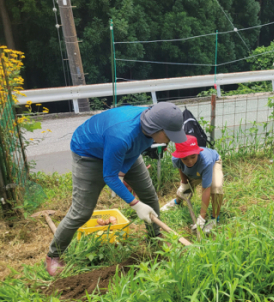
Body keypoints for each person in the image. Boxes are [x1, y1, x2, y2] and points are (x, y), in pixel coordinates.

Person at [45, 102, 188, 276]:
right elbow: (109, 176)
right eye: (169, 135)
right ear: (156, 129)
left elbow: (136, 149)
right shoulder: (122, 135)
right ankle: (54, 255)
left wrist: (123, 171)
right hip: (89, 153)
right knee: (81, 211)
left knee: (149, 195)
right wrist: (135, 203)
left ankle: (154, 237)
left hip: (124, 149)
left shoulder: (151, 126)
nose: (171, 140)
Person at [160, 135, 224, 234]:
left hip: (213, 163)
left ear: (197, 153)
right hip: (194, 171)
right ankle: (177, 202)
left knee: (216, 187)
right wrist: (185, 183)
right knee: (184, 190)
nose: (189, 161)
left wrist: (201, 218)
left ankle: (214, 218)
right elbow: (180, 168)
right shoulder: (176, 159)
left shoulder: (206, 161)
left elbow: (206, 189)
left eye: (193, 157)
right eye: (185, 159)